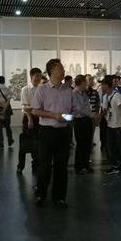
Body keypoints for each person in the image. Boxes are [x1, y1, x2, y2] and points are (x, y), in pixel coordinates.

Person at [31, 59, 74, 208]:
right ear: (52, 71)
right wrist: (54, 116)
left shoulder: (68, 90)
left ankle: (59, 197)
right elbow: (35, 110)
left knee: (62, 165)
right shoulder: (42, 90)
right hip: (47, 131)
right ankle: (41, 194)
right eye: (60, 68)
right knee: (44, 165)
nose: (63, 70)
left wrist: (66, 118)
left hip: (64, 131)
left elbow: (72, 113)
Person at [101, 74, 121, 174]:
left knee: (119, 147)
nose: (101, 87)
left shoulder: (117, 96)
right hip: (110, 125)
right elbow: (105, 110)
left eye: (103, 85)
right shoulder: (105, 97)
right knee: (111, 147)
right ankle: (114, 165)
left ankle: (120, 165)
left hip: (118, 126)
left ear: (107, 85)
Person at [18, 67, 43, 173]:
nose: (39, 78)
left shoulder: (41, 89)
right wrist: (30, 119)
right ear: (31, 76)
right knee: (25, 141)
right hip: (29, 117)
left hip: (40, 117)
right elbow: (25, 106)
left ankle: (36, 164)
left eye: (40, 76)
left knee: (37, 142)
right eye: (37, 76)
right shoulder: (25, 89)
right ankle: (21, 165)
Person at [72, 74, 94, 174]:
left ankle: (86, 164)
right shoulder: (74, 93)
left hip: (87, 119)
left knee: (88, 143)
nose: (87, 83)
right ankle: (78, 166)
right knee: (80, 144)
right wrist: (91, 114)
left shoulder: (84, 93)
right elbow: (79, 109)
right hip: (79, 121)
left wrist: (90, 114)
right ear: (80, 83)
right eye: (85, 82)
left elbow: (87, 106)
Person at [0, 76, 14, 149]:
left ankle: (1, 143)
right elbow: (8, 101)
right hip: (7, 110)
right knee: (8, 126)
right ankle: (10, 142)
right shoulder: (8, 89)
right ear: (4, 81)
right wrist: (4, 109)